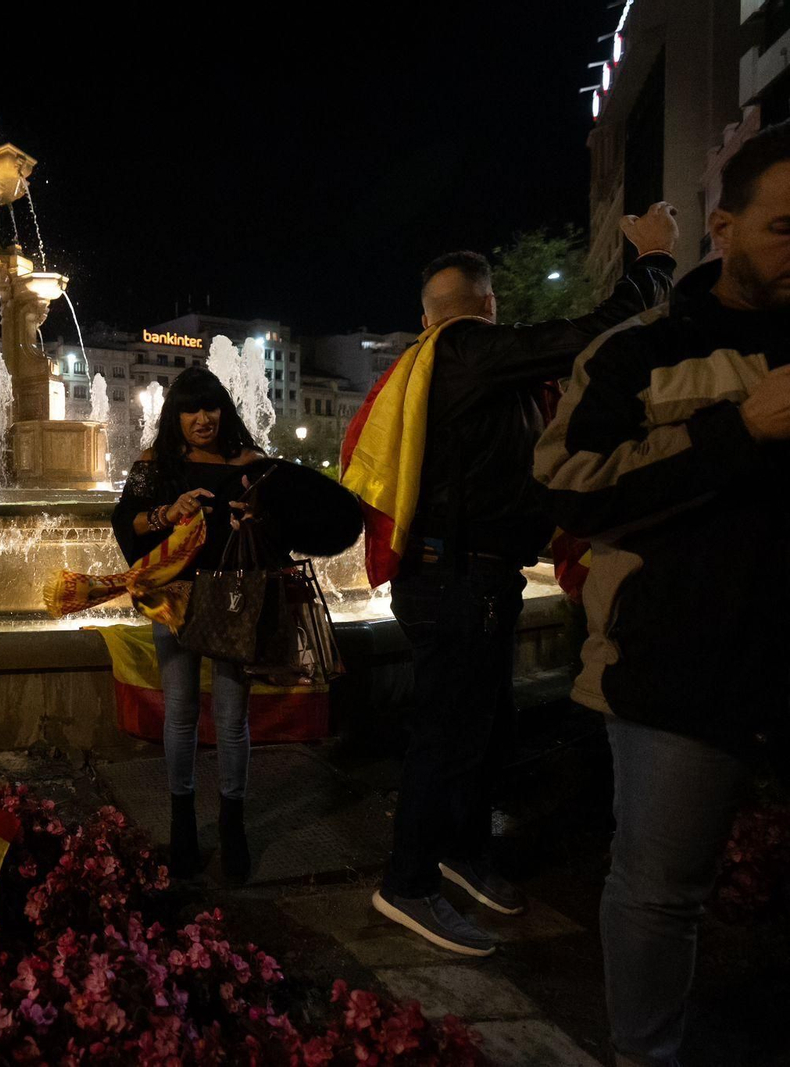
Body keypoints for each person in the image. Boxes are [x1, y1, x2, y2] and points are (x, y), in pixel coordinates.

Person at [535, 121, 790, 1067]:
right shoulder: (637, 354)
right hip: (680, 668)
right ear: (721, 227)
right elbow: (568, 487)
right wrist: (736, 432)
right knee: (656, 891)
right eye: (786, 229)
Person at [363, 201, 681, 958]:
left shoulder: (453, 363)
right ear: (486, 304)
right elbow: (591, 336)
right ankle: (406, 882)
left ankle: (462, 857)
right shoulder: (469, 347)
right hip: (456, 579)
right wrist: (654, 262)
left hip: (473, 575)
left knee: (482, 727)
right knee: (447, 734)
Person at [112, 368, 266, 883]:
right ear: (174, 415)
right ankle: (182, 827)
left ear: (224, 410)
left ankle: (234, 827)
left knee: (232, 716)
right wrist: (165, 514)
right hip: (175, 597)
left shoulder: (249, 462)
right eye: (191, 409)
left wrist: (256, 518)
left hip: (233, 599)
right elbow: (126, 521)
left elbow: (281, 528)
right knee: (179, 711)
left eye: (212, 407)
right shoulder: (157, 465)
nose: (203, 419)